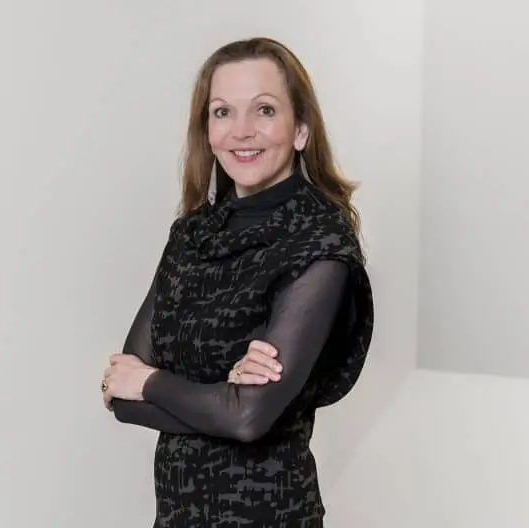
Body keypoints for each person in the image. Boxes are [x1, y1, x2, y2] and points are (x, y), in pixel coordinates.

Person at [99, 36, 374, 527]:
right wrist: (219, 399)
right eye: (223, 112)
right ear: (206, 130)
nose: (242, 131)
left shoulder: (319, 244)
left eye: (264, 110)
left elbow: (248, 420)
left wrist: (154, 382)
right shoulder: (191, 234)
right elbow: (122, 398)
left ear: (301, 130)